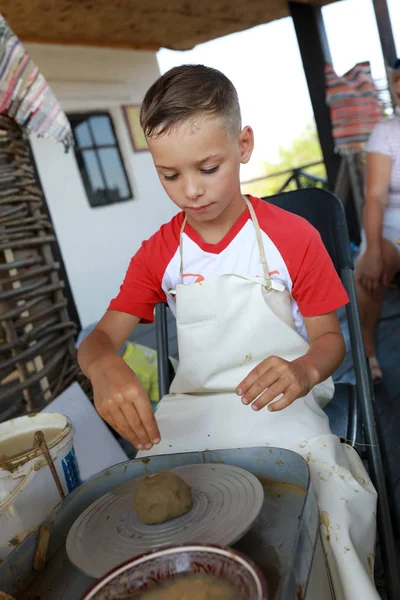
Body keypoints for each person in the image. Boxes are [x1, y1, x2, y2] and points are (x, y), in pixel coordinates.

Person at [78, 65, 378, 599]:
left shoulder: (292, 236)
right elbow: (98, 340)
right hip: (189, 411)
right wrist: (103, 366)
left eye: (209, 167)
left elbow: (330, 341)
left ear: (243, 146)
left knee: (328, 499)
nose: (191, 190)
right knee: (141, 520)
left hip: (282, 405)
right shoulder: (160, 252)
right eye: (170, 176)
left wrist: (305, 369)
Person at [355, 59, 400, 380]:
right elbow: (376, 197)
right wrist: (371, 249)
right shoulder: (385, 133)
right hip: (394, 225)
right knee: (368, 269)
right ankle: (368, 351)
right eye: (398, 80)